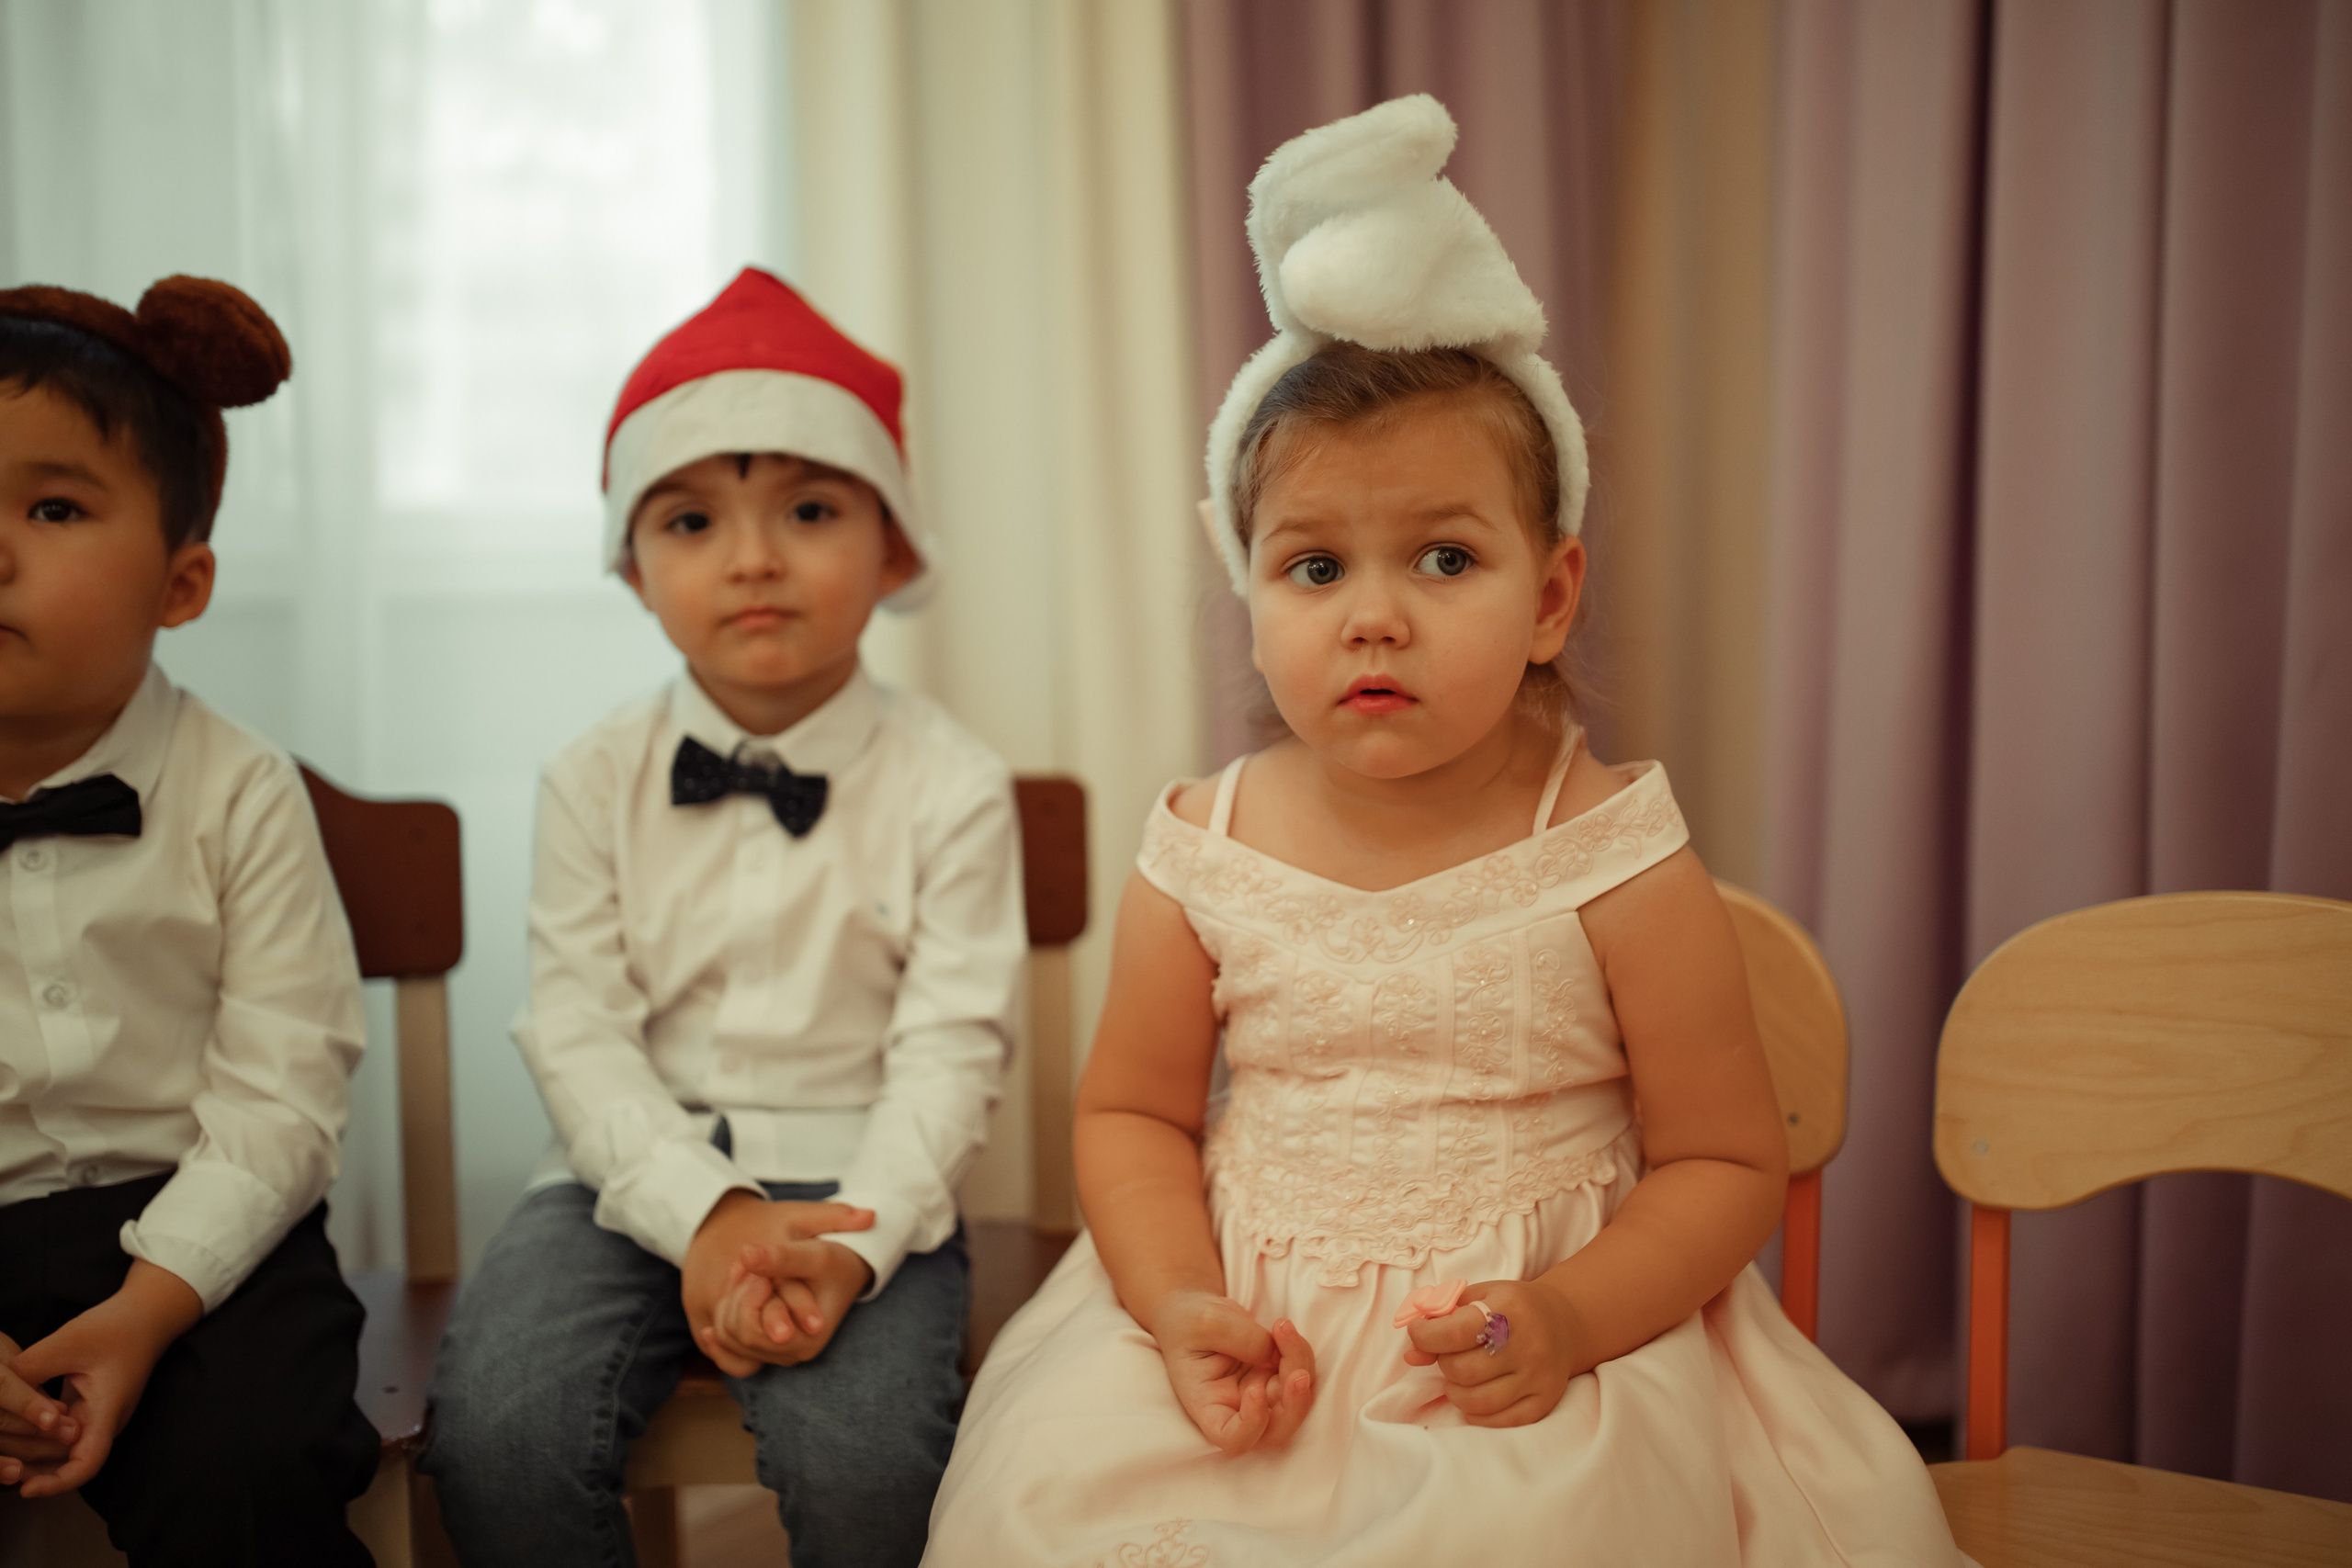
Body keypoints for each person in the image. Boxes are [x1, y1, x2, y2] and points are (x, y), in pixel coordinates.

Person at [926, 98, 1971, 1565]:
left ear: (1550, 597)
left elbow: (1728, 1163)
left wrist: (1565, 1316)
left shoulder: (1612, 849)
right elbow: (1132, 1116)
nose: (1374, 611)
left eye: (1444, 555)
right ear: (1252, 596)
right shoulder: (1203, 846)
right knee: (1055, 1509)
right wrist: (1175, 1304)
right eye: (1312, 563)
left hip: (1540, 1348)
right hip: (1248, 1318)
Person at [423, 267, 1026, 1568]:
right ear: (632, 569)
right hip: (619, 1174)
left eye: (809, 510)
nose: (753, 558)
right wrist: (703, 1212)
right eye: (691, 522)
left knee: (870, 1471)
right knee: (500, 1439)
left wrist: (853, 1248)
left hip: (868, 1189)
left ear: (897, 547)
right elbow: (576, 1028)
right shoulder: (592, 776)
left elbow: (953, 1046)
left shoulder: (957, 784)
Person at [0, 278, 380, 1563]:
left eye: (51, 508)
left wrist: (146, 1309)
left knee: (257, 1466)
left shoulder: (239, 789)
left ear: (182, 581)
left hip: (203, 1219)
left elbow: (282, 1090)